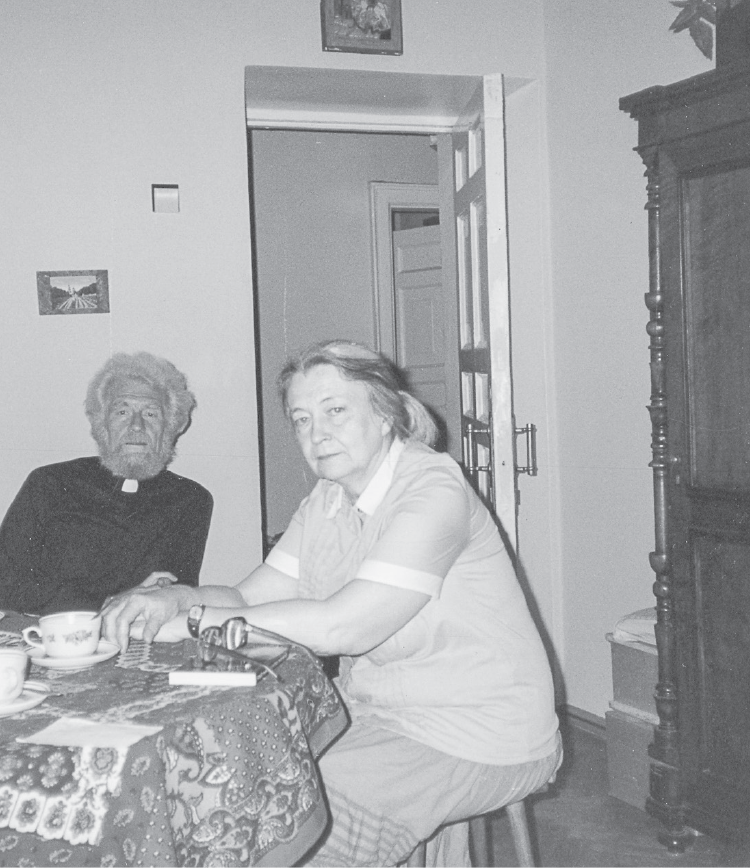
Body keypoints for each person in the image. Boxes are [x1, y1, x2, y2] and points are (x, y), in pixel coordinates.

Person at [100, 339, 561, 867]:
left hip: (478, 731)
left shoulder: (434, 489)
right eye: (300, 420)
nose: (316, 434)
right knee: (240, 777)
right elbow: (249, 595)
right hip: (377, 713)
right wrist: (173, 598)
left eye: (335, 411)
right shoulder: (328, 499)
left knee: (292, 824)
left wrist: (192, 622)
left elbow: (344, 627)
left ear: (386, 414)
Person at [0, 351, 213, 615]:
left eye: (150, 414)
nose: (136, 426)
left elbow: (174, 596)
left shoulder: (191, 500)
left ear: (171, 427)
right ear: (101, 423)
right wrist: (106, 603)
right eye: (122, 411)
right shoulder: (49, 484)